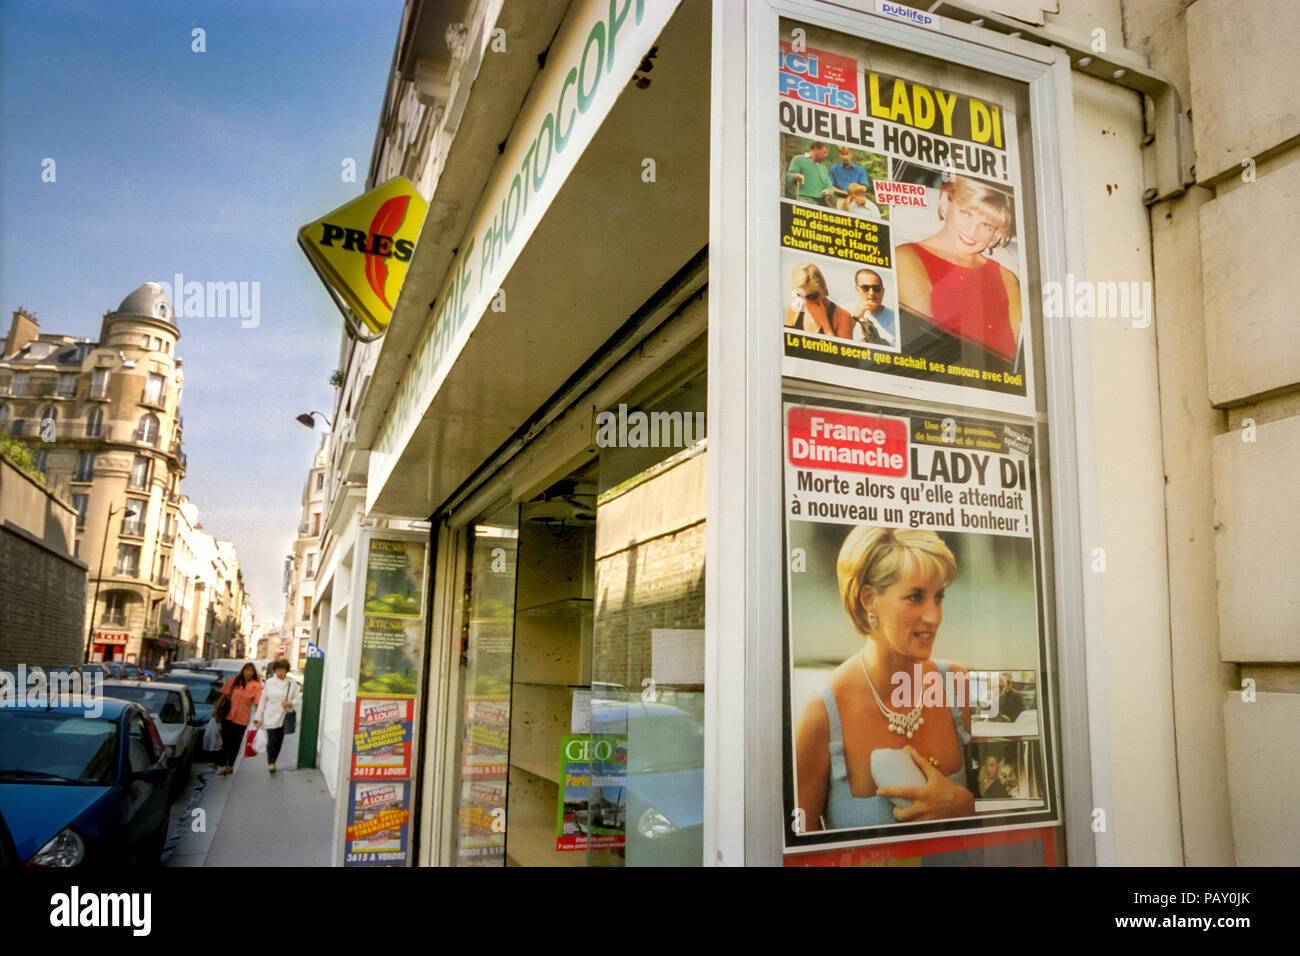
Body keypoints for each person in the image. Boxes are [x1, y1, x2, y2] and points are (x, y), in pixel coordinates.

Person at [794, 527, 974, 831]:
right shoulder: (821, 715)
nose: (934, 617)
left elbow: (1021, 816)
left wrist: (963, 806)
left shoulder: (961, 685)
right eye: (915, 597)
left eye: (938, 596)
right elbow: (794, 855)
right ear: (869, 599)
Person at [894, 176, 1022, 371]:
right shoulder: (906, 257)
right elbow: (926, 347)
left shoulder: (1007, 278)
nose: (972, 231)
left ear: (997, 231)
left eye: (987, 225)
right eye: (965, 213)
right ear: (946, 201)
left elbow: (1020, 359)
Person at [785, 262, 854, 338]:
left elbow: (842, 349)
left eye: (812, 297)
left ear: (823, 291)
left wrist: (825, 325)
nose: (805, 302)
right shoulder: (794, 310)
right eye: (800, 295)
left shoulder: (843, 317)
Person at [216, 663, 262, 776]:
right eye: (247, 670)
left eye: (251, 670)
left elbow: (257, 703)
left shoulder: (256, 685)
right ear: (243, 670)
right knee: (226, 740)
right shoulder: (234, 680)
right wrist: (216, 709)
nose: (249, 672)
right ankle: (222, 765)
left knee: (236, 742)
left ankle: (230, 765)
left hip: (242, 717)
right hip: (229, 715)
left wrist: (258, 717)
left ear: (253, 672)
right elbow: (223, 695)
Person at [253, 659, 297, 773]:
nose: (280, 673)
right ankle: (271, 763)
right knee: (272, 739)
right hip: (270, 714)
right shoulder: (270, 682)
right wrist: (258, 717)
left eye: (282, 670)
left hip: (284, 715)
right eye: (278, 670)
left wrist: (291, 703)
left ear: (286, 671)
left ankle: (274, 760)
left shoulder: (292, 683)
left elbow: (298, 698)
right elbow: (263, 700)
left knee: (279, 740)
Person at [850, 268, 896, 345]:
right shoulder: (846, 316)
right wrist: (855, 318)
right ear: (857, 290)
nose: (871, 293)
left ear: (883, 291)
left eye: (876, 288)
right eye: (865, 288)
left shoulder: (896, 318)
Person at [786, 141, 833, 206]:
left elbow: (830, 186)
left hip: (821, 202)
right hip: (804, 199)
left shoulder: (823, 168)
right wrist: (796, 176)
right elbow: (789, 176)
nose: (826, 155)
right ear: (816, 149)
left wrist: (828, 191)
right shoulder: (798, 159)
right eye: (824, 152)